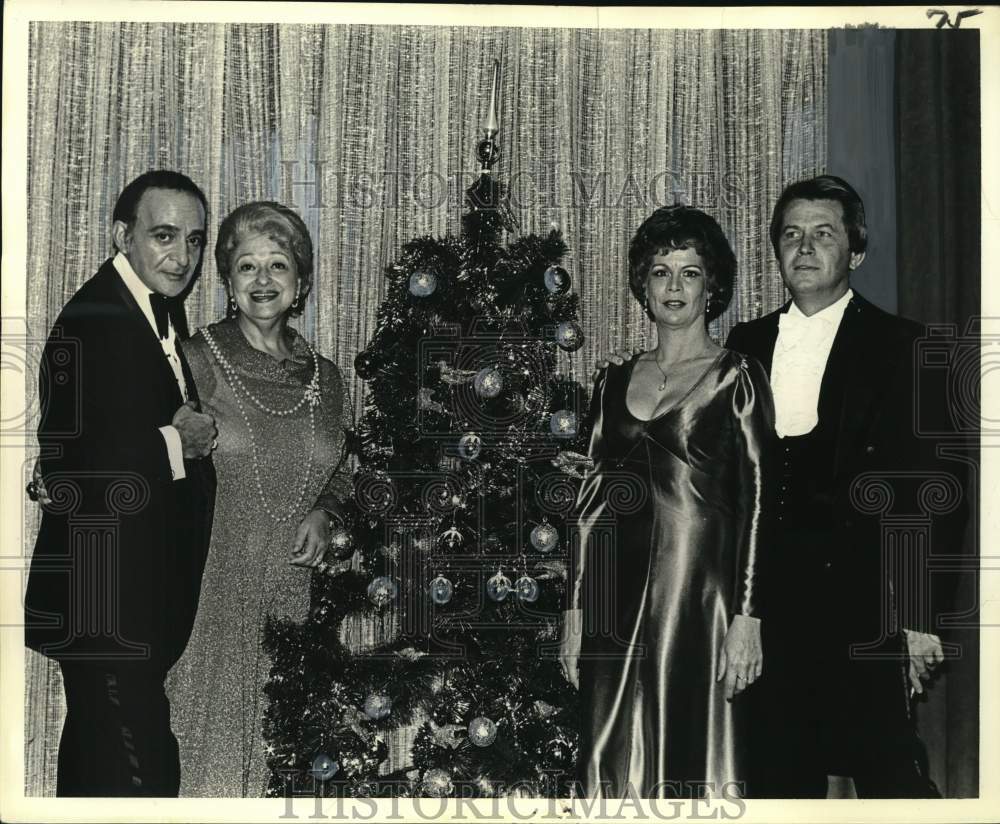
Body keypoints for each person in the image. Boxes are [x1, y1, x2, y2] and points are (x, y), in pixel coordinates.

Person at [724, 174, 964, 797]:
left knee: (892, 779)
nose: (804, 247)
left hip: (867, 609)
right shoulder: (743, 346)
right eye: (791, 235)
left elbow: (934, 490)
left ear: (854, 252)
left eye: (823, 234)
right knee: (776, 779)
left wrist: (918, 618)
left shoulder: (904, 346)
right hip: (769, 610)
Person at [560, 205, 777, 799]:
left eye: (690, 272)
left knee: (693, 756)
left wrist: (748, 617)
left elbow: (759, 503)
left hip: (699, 601)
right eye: (661, 272)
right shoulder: (610, 383)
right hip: (613, 600)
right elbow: (592, 503)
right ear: (643, 285)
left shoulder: (739, 378)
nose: (674, 287)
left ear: (712, 286)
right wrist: (577, 610)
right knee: (609, 753)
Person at [24, 170, 218, 796]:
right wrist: (176, 441)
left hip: (123, 604)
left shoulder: (149, 309)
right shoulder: (95, 317)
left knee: (95, 771)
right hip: (104, 605)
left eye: (193, 241)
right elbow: (73, 466)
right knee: (143, 779)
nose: (182, 257)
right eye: (164, 236)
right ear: (121, 234)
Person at [164, 201, 353, 797]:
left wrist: (326, 511)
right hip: (211, 593)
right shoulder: (193, 359)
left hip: (298, 599)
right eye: (247, 267)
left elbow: (343, 470)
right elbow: (153, 459)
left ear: (300, 283)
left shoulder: (327, 377)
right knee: (208, 764)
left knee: (286, 768)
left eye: (278, 266)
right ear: (227, 281)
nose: (263, 281)